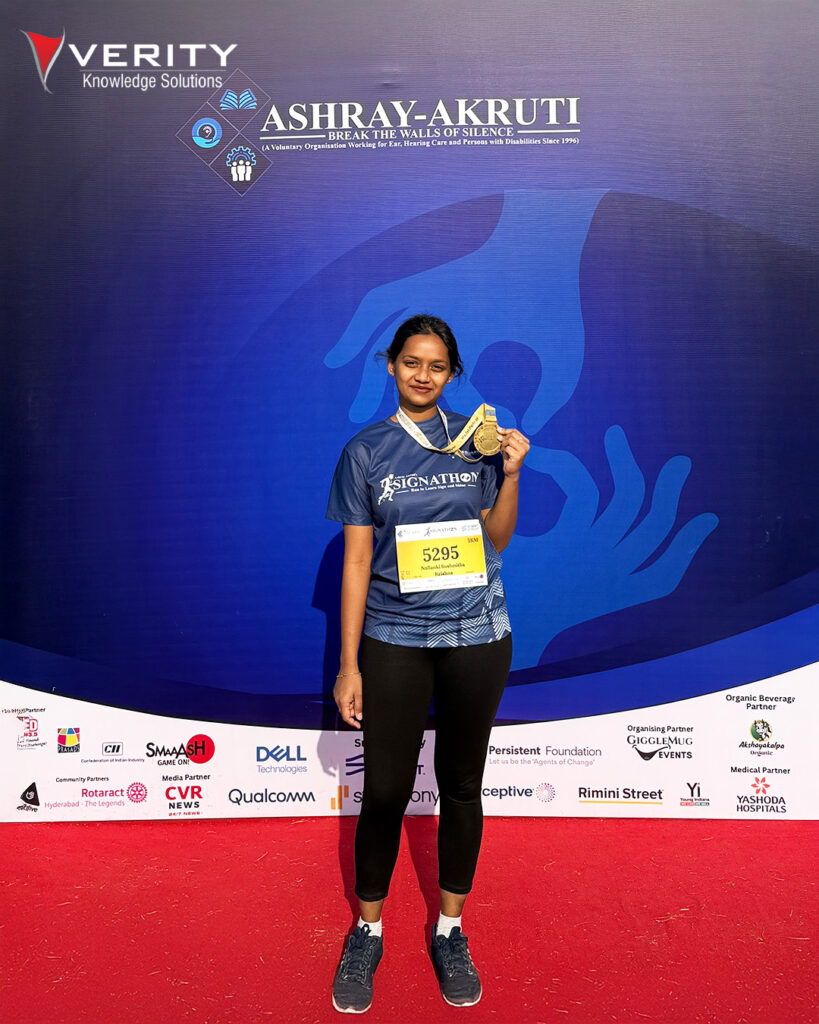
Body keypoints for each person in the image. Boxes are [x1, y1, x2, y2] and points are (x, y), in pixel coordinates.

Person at [326, 314, 529, 1013]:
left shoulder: (476, 440)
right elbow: (357, 560)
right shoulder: (365, 451)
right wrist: (348, 664)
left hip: (478, 634)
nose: (423, 374)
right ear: (391, 365)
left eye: (437, 365)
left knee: (462, 786)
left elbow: (496, 539)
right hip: (395, 637)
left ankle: (449, 930)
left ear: (452, 373)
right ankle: (367, 931)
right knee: (384, 791)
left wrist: (510, 475)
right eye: (411, 362)